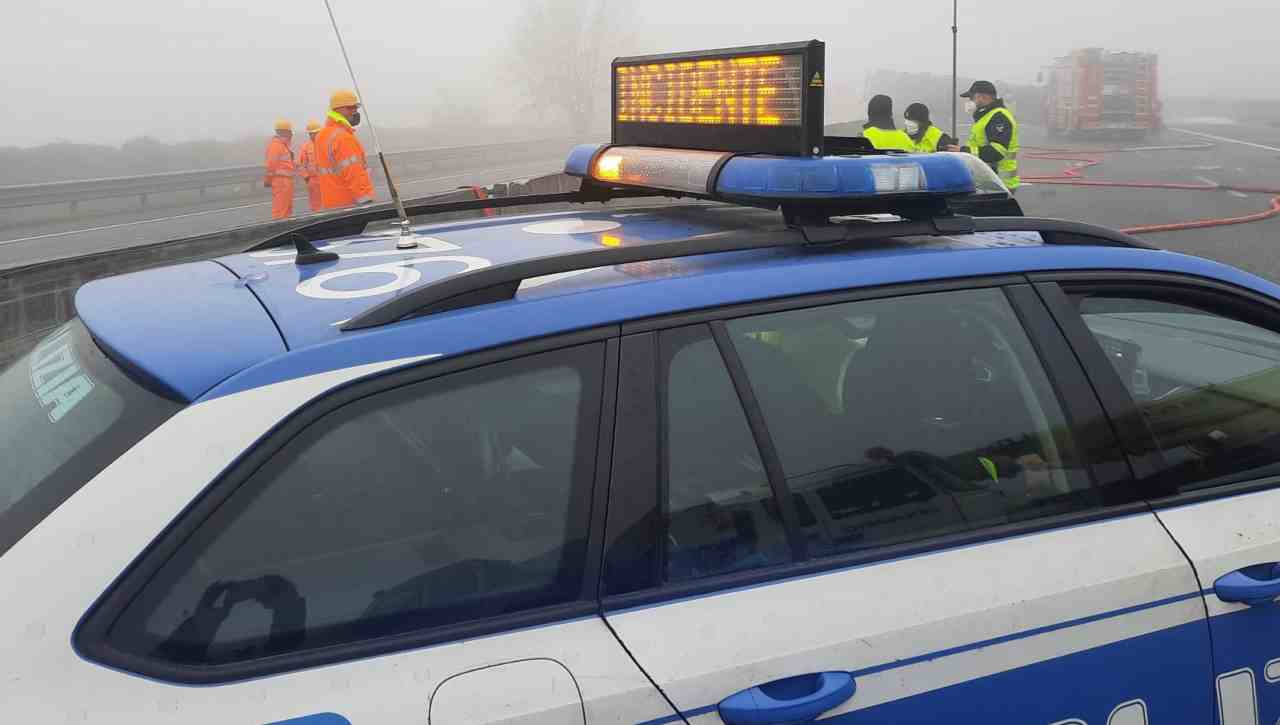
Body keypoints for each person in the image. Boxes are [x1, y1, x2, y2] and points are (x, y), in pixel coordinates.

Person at [946, 80, 1020, 191]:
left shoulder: (998, 117)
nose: (969, 102)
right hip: (988, 181)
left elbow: (997, 152)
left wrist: (963, 151)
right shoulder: (986, 116)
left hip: (998, 183)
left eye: (971, 98)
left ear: (982, 97)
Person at [315, 89, 375, 210]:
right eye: (351, 108)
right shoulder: (343, 137)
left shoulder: (322, 135)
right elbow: (354, 173)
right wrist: (365, 201)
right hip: (350, 205)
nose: (355, 112)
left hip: (332, 203)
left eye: (356, 108)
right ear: (339, 109)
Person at [263, 120, 296, 220]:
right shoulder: (276, 146)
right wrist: (268, 180)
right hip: (281, 182)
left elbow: (285, 164)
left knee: (286, 209)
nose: (291, 134)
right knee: (281, 210)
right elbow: (271, 166)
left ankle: (286, 229)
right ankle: (279, 228)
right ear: (284, 132)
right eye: (290, 132)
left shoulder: (283, 146)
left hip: (286, 181)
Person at [297, 119, 323, 213]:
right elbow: (301, 165)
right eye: (311, 133)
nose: (313, 135)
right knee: (316, 205)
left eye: (315, 133)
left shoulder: (326, 144)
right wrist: (306, 177)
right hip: (313, 180)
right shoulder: (306, 147)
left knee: (330, 202)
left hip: (327, 179)